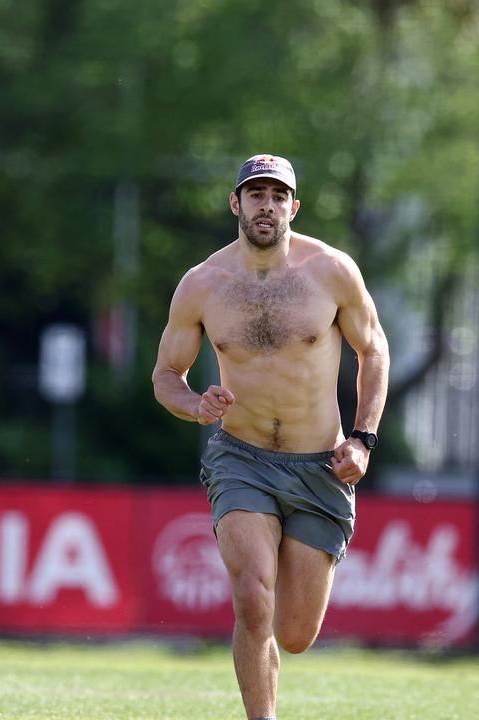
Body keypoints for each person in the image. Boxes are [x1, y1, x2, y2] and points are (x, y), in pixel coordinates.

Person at [152, 154, 389, 720]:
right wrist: (195, 404)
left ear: (294, 207)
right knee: (253, 599)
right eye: (256, 194)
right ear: (236, 204)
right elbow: (166, 377)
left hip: (321, 467)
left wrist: (363, 438)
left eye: (278, 196)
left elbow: (373, 349)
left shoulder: (330, 271)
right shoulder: (203, 284)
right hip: (242, 458)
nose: (267, 205)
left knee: (297, 633)